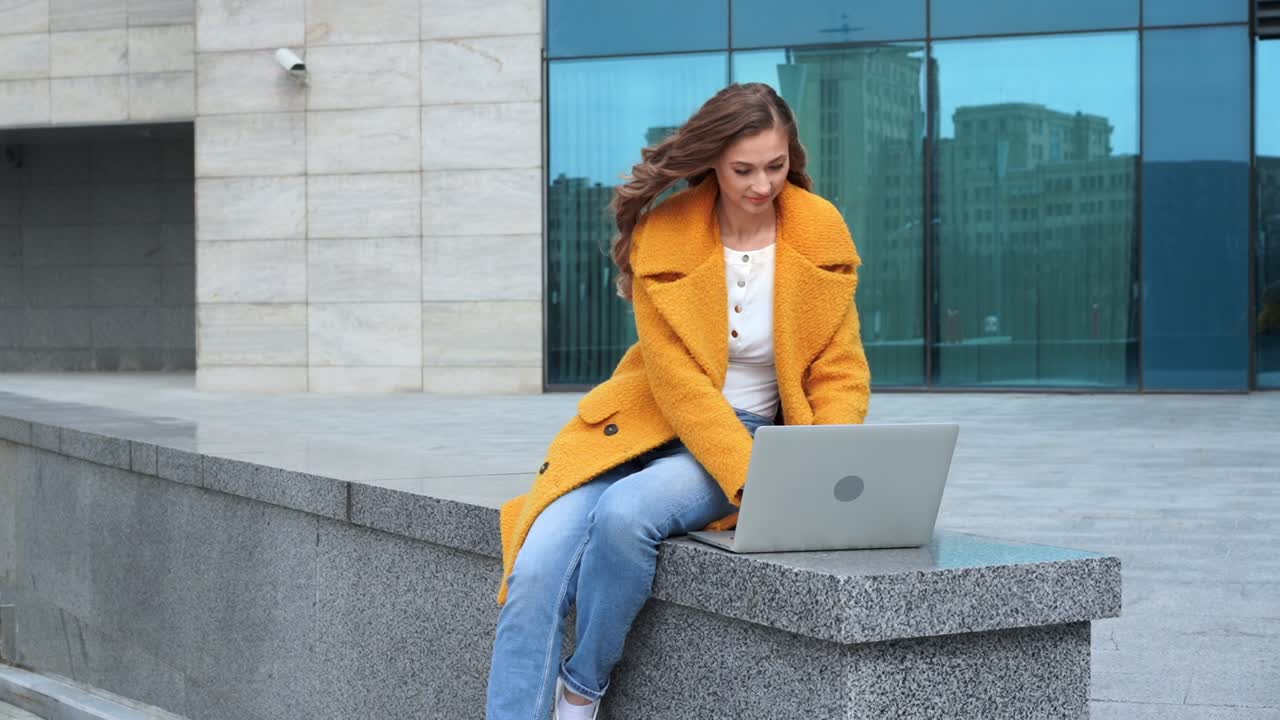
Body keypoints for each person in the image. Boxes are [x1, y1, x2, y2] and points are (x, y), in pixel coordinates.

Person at [486, 82, 872, 720]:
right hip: (637, 423)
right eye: (744, 169)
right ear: (714, 160)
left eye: (775, 166)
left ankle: (581, 689)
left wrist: (811, 470)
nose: (761, 184)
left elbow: (840, 368)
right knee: (534, 569)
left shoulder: (818, 227)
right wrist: (758, 484)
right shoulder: (666, 230)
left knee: (625, 515)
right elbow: (676, 381)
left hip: (740, 439)